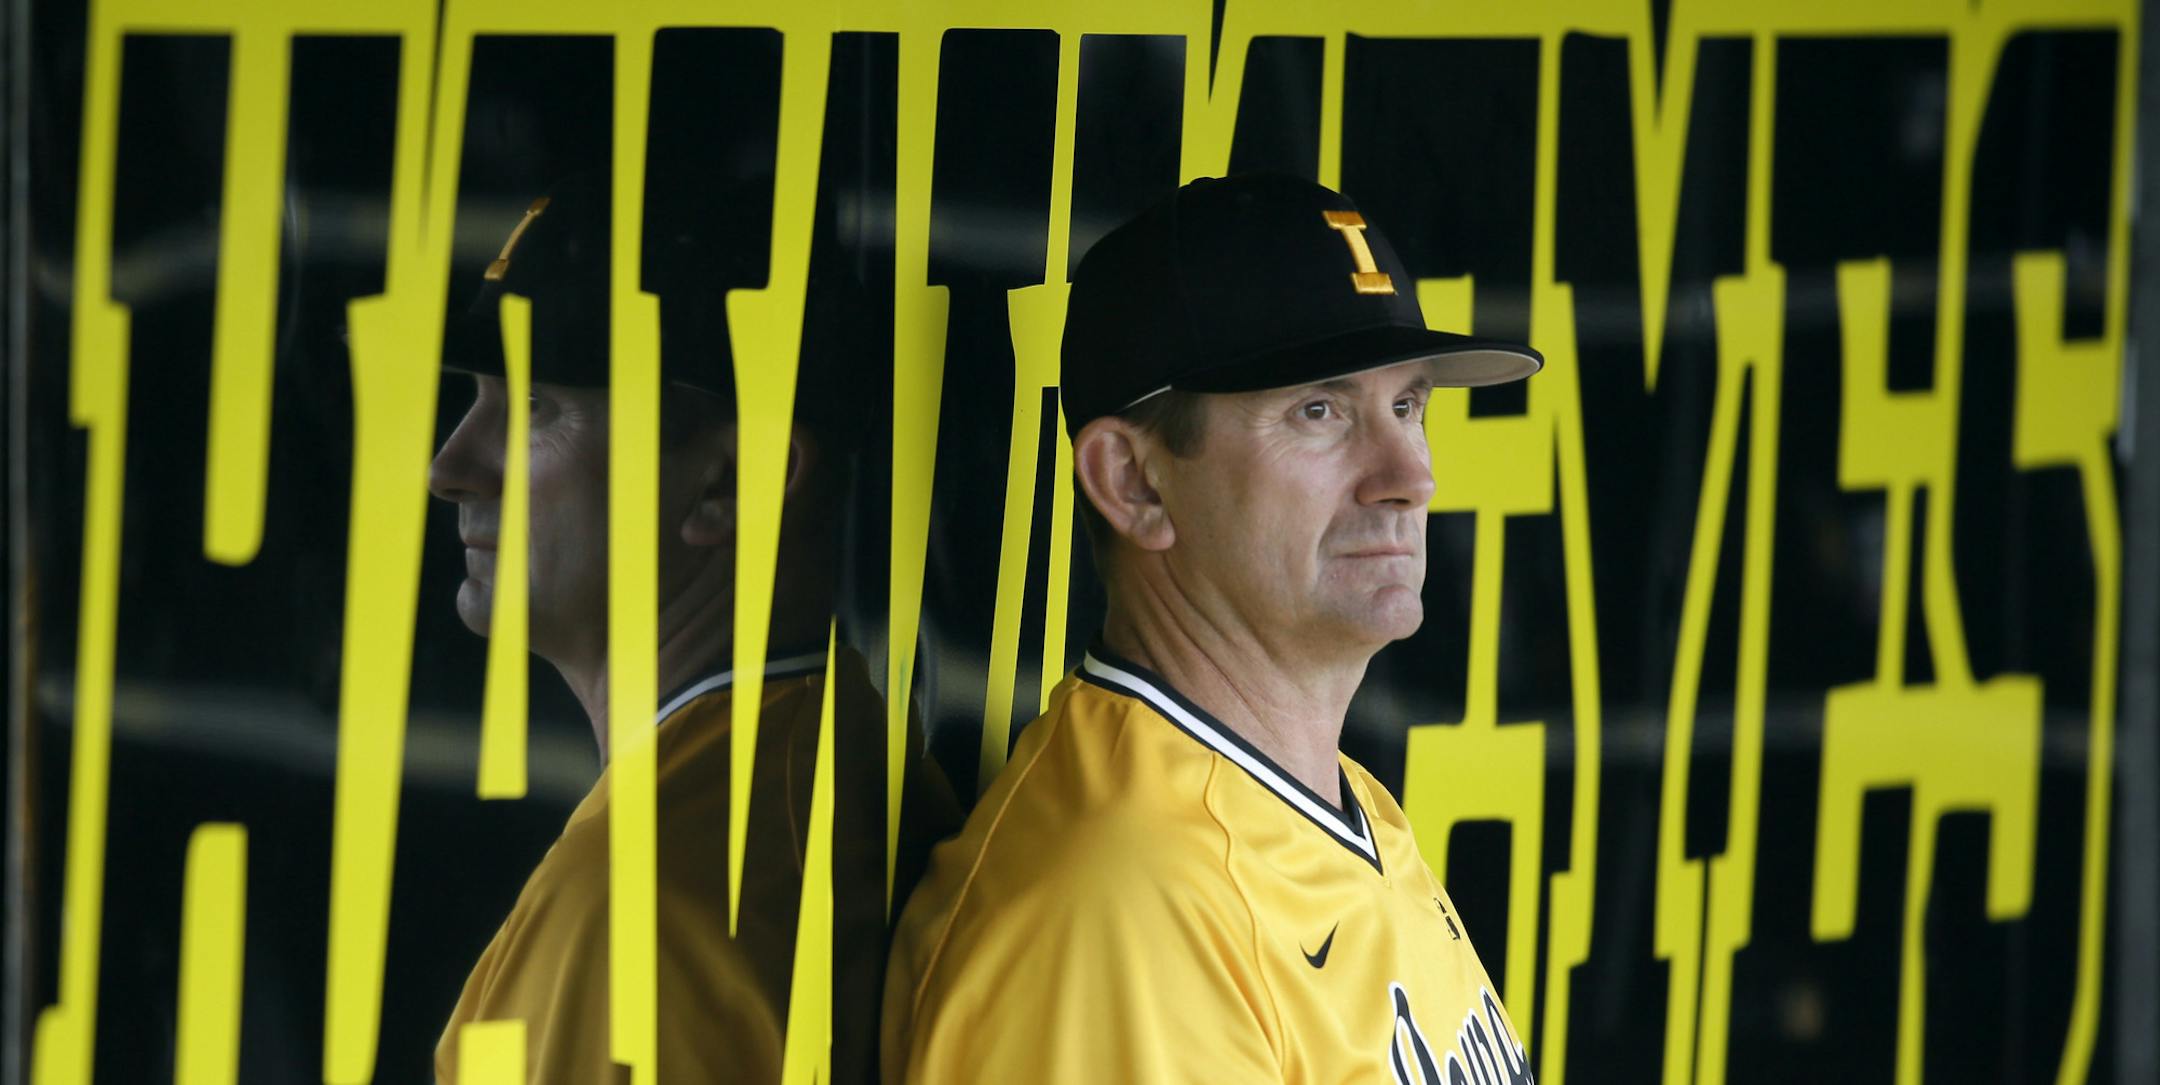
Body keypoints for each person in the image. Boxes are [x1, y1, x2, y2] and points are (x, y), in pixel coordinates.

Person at [881, 173, 1545, 1084]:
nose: (1409, 475)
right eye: (1320, 411)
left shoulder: (1339, 803)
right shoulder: (1119, 911)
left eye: (1407, 406)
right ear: (1133, 483)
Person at [428, 174, 955, 1084]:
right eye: (478, 401)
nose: (452, 465)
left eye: (536, 407)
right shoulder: (827, 763)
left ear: (732, 481)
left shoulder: (643, 908)